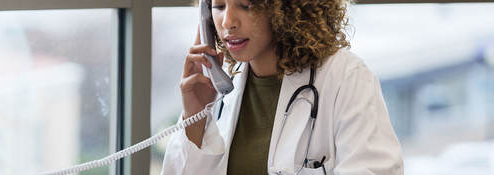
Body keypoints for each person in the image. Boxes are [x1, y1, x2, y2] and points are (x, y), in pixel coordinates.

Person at [162, 0, 404, 174]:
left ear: (285, 8)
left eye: (247, 5)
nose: (228, 22)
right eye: (219, 6)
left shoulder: (346, 78)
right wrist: (195, 118)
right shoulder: (221, 91)